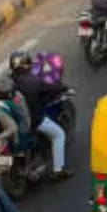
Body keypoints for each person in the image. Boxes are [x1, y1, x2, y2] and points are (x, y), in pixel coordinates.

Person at [9, 51, 72, 181]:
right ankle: (58, 170)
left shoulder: (10, 80)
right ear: (27, 65)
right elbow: (53, 88)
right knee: (59, 134)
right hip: (34, 120)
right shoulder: (34, 82)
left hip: (15, 118)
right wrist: (64, 88)